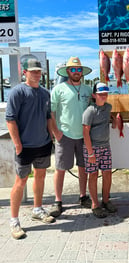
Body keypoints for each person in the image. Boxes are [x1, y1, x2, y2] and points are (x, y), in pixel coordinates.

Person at [6, 59, 55, 239]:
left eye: (38, 71)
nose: (36, 74)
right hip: (24, 146)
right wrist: (18, 144)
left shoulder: (45, 93)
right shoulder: (17, 92)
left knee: (41, 176)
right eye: (32, 71)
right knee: (21, 181)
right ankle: (14, 220)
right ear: (24, 72)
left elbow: (48, 116)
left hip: (43, 143)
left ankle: (37, 208)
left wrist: (52, 136)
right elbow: (10, 120)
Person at [49, 57, 92, 217]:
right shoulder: (58, 89)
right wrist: (56, 133)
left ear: (82, 72)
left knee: (83, 167)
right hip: (64, 135)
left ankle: (83, 196)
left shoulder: (88, 90)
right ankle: (58, 201)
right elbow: (51, 112)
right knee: (60, 169)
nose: (76, 72)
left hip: (84, 136)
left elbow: (95, 109)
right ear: (67, 71)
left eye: (78, 69)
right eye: (73, 69)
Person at [82, 82, 117, 218]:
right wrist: (90, 152)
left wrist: (114, 121)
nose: (103, 97)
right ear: (94, 95)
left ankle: (106, 201)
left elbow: (109, 120)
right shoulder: (89, 111)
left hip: (105, 146)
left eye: (105, 94)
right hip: (92, 148)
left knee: (107, 173)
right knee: (93, 175)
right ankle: (95, 204)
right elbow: (85, 132)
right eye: (100, 94)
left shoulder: (108, 107)